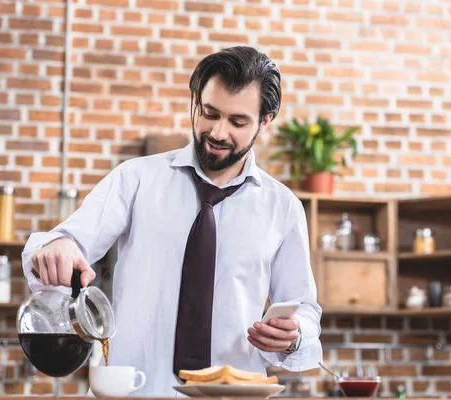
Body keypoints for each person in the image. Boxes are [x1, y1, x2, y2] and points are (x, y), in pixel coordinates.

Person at [20, 46, 322, 397]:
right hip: (134, 393)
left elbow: (305, 311)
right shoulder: (135, 179)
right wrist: (59, 246)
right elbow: (66, 243)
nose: (218, 132)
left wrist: (294, 334)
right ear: (195, 102)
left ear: (265, 121)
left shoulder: (282, 207)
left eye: (238, 122)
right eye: (209, 113)